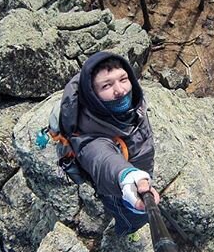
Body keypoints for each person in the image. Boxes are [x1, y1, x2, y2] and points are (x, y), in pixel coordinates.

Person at [58, 51, 160, 238]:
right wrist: (126, 177)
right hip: (117, 187)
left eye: (123, 79)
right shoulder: (89, 134)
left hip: (140, 175)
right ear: (92, 94)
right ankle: (128, 231)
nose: (120, 90)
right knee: (130, 216)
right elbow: (102, 158)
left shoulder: (132, 105)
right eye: (106, 85)